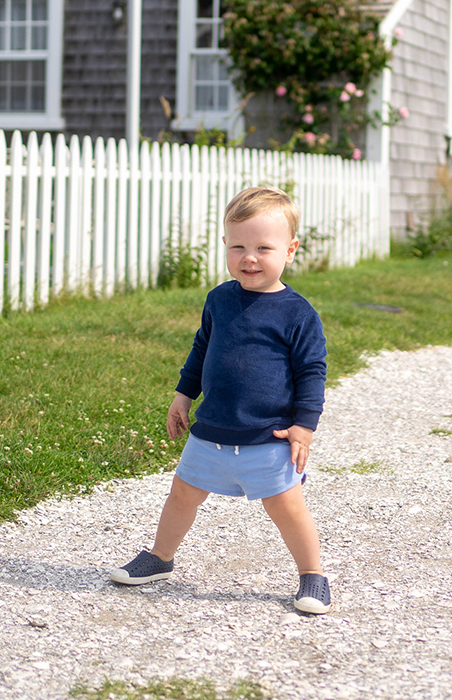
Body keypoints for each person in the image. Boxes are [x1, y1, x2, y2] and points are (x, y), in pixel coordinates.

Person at [110, 185, 331, 614]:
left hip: (268, 435)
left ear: (290, 250)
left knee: (286, 507)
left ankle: (312, 574)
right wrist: (183, 394)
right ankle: (159, 557)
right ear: (226, 246)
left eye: (263, 248)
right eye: (238, 247)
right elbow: (201, 349)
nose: (249, 258)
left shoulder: (297, 313)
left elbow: (311, 372)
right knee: (182, 494)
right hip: (211, 429)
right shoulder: (219, 299)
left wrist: (304, 426)